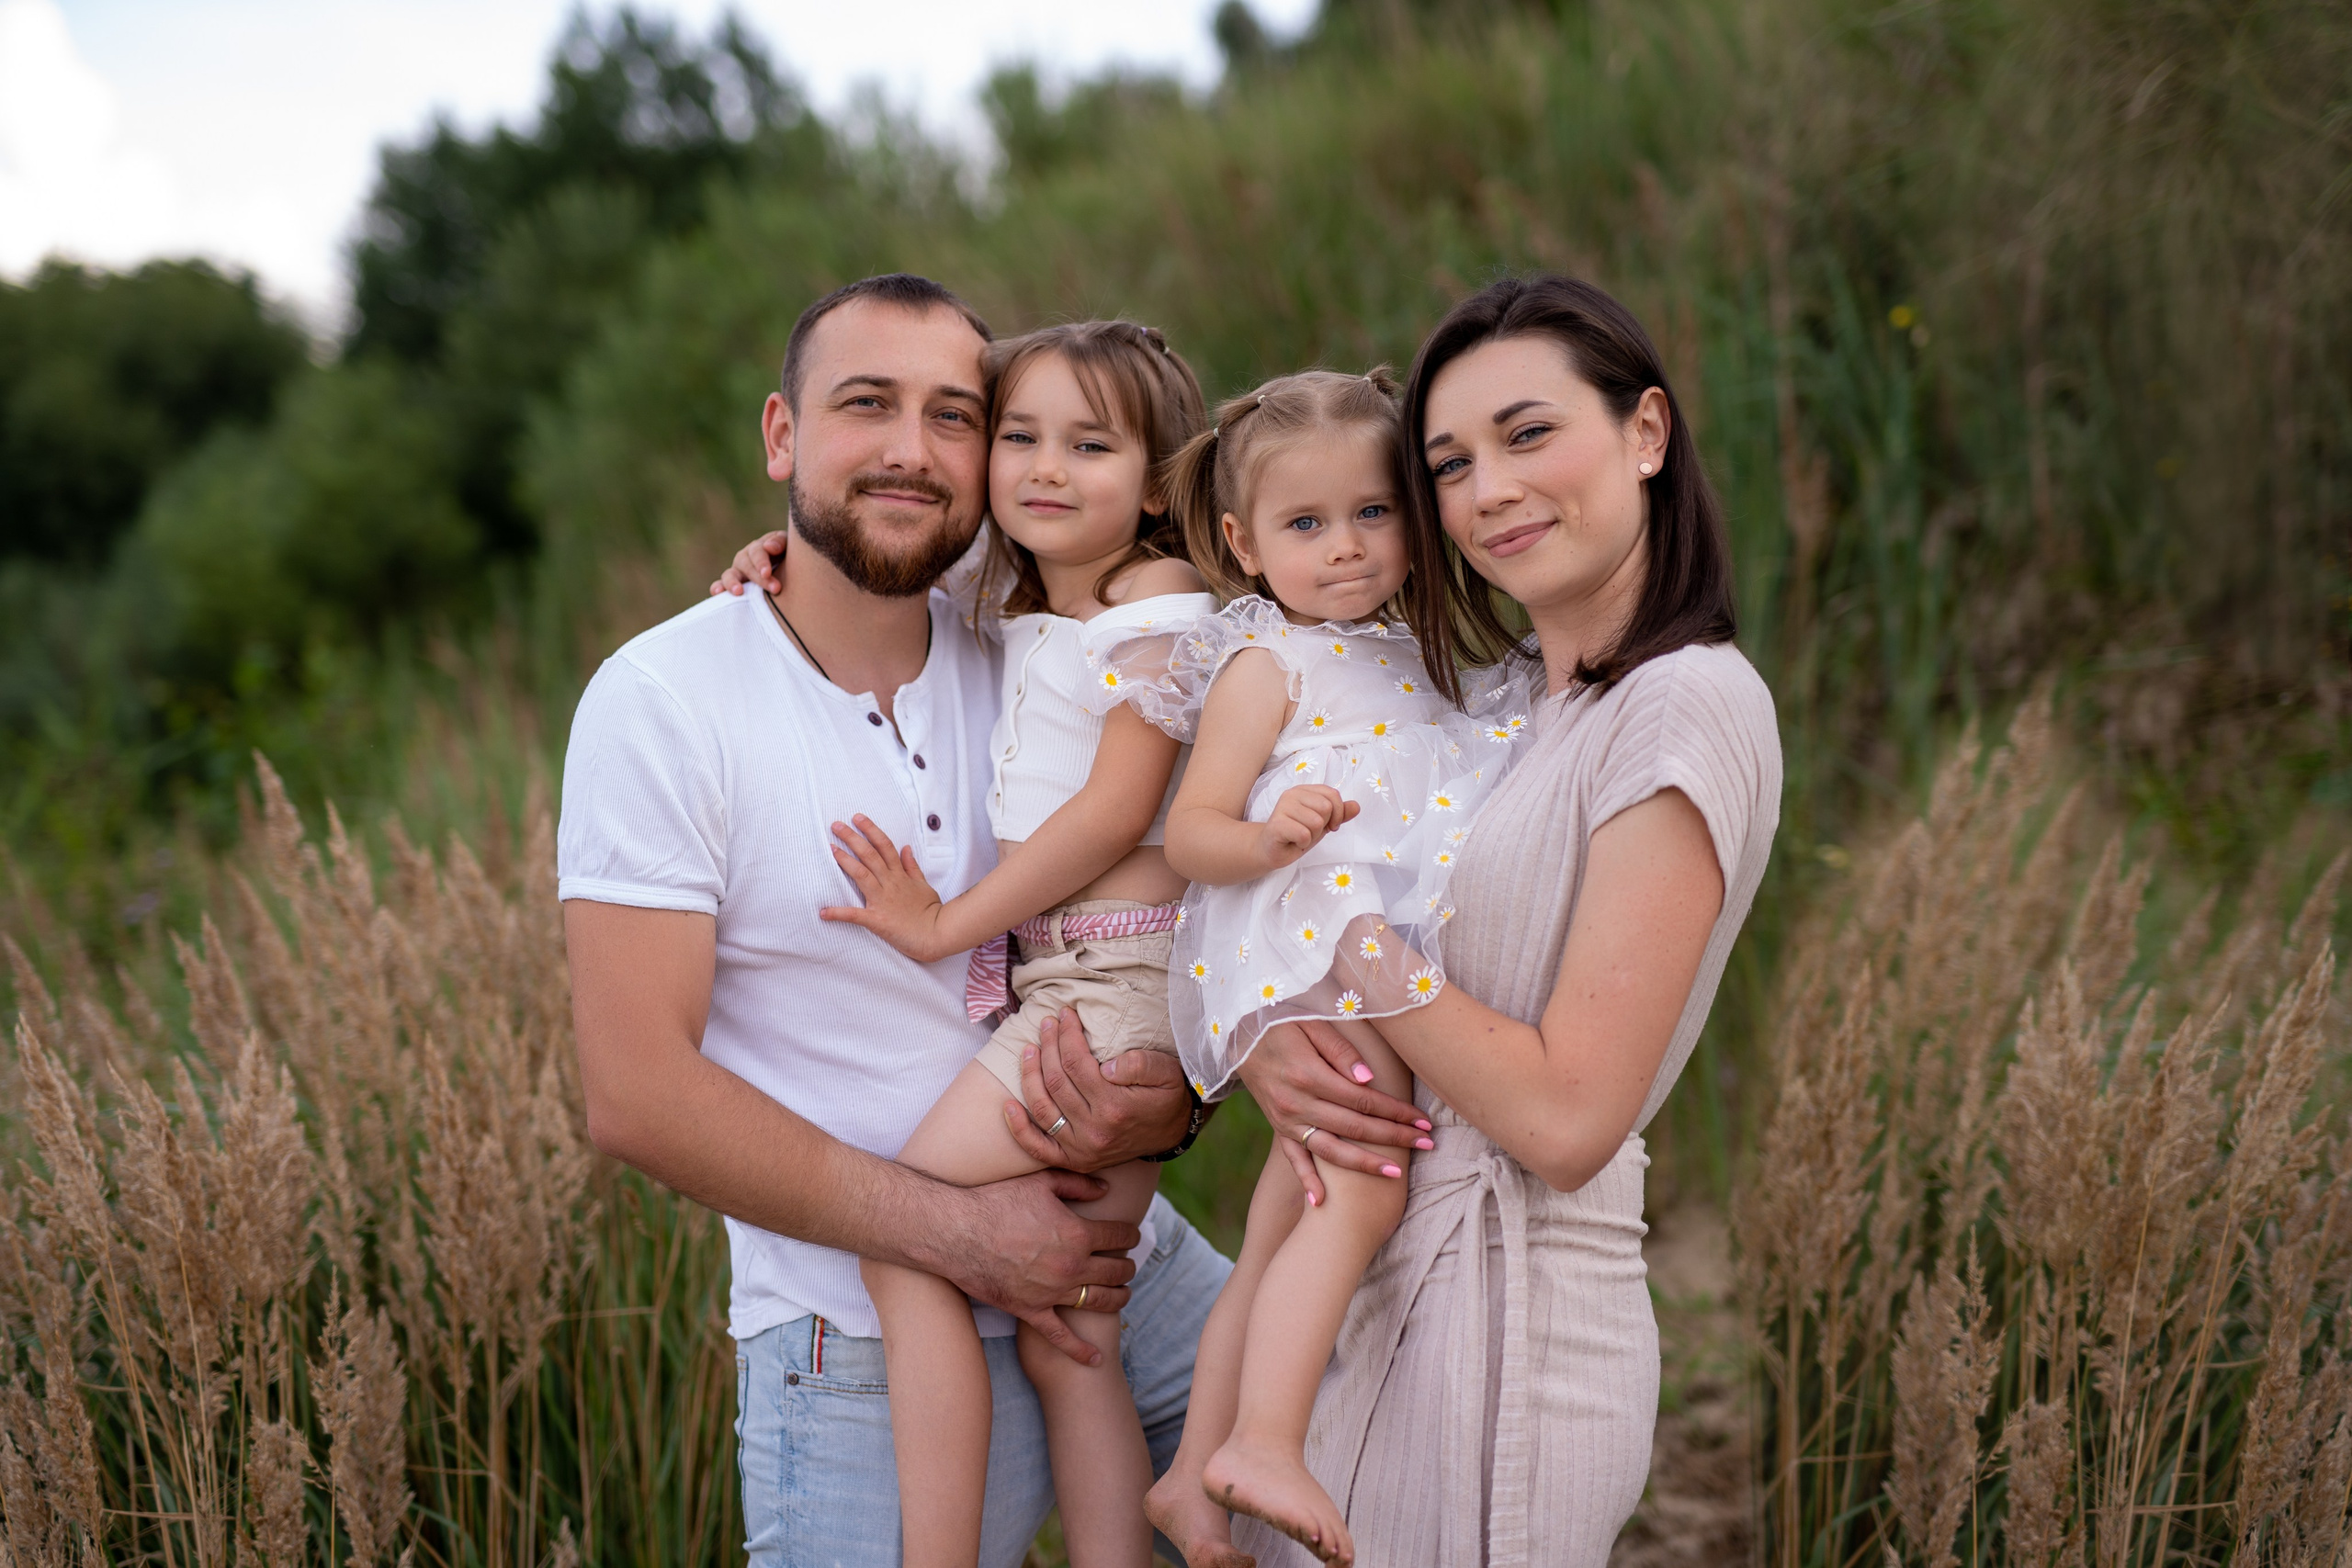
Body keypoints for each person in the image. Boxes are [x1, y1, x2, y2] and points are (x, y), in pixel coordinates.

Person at [560, 276, 1392, 1568]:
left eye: (954, 415)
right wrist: (956, 1233)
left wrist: (1180, 1098)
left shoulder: (1025, 635)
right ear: (782, 438)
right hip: (857, 1329)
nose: (909, 448)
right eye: (865, 406)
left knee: (1357, 1518)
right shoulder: (661, 698)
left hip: (1122, 1262)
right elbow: (635, 1096)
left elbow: (1197, 826)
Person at [1212, 275, 1783, 1568]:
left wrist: (1350, 948)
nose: (1489, 491)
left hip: (1512, 1331)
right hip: (1373, 1293)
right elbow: (1223, 670)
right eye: (1449, 465)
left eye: (1529, 435)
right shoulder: (1500, 701)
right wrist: (1270, 1040)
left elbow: (1569, 1118)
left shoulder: (1681, 705)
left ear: (1646, 434)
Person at [1073, 368, 1523, 1567]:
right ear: (1242, 542)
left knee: (1288, 1217)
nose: (1346, 550)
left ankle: (1189, 1477)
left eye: (1374, 515)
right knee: (1365, 1176)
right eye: (1307, 526)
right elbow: (1196, 831)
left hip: (1369, 943)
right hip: (1309, 937)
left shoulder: (1423, 652)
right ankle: (1268, 1442)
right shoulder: (1265, 659)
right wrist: (1272, 837)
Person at [815, 319, 1216, 1568]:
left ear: (1155, 484)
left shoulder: (1157, 604)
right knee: (1070, 1330)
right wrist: (780, 554)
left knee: (905, 1238)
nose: (1043, 467)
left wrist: (941, 927)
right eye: (1020, 437)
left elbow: (1108, 812)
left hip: (1115, 977)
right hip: (1082, 977)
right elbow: (877, 554)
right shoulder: (1033, 603)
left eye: (1088, 445)